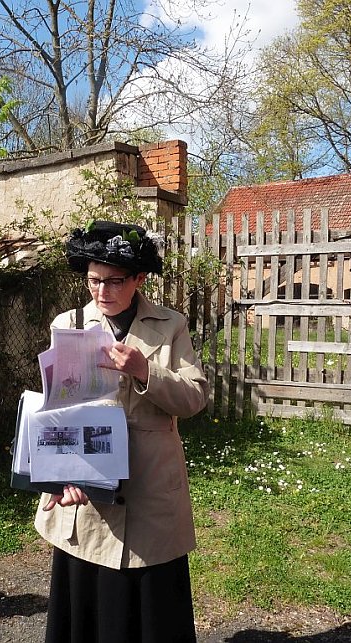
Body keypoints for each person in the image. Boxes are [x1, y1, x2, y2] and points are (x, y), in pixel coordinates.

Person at [35, 220, 208, 643]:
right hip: (87, 493)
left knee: (152, 614)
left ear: (139, 279)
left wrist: (145, 370)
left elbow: (194, 398)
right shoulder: (69, 323)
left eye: (114, 281)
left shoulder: (170, 326)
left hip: (151, 492)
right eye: (94, 280)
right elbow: (58, 412)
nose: (102, 291)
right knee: (89, 613)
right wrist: (63, 477)